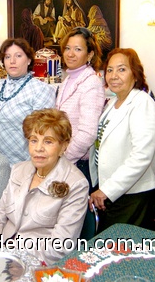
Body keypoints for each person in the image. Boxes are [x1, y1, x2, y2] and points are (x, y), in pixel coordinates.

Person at [0, 109, 89, 265]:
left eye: (48, 141)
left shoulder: (76, 184)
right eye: (33, 140)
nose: (39, 148)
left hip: (35, 263)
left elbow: (60, 247)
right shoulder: (18, 170)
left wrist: (10, 254)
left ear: (64, 146)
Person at [89, 48, 155, 232]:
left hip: (133, 194)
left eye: (122, 69)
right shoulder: (113, 102)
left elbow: (141, 156)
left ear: (135, 74)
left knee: (121, 249)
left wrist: (108, 190)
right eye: (110, 70)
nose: (114, 75)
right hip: (113, 191)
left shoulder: (142, 102)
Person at [0, 38, 55, 166]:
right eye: (7, 57)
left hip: (25, 164)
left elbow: (43, 134)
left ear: (29, 60)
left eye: (18, 56)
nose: (12, 61)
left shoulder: (41, 89)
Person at [56, 27, 105, 192]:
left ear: (89, 54)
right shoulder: (68, 79)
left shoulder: (91, 83)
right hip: (64, 160)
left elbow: (87, 133)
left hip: (77, 163)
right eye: (68, 48)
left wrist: (63, 158)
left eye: (78, 49)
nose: (70, 54)